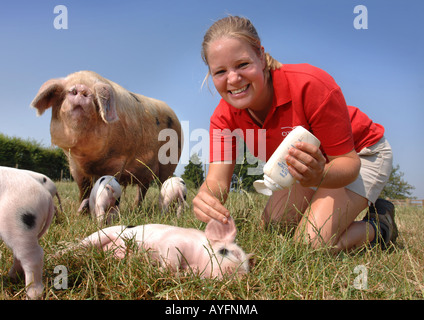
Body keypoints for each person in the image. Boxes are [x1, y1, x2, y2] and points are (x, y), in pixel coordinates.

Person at [192, 16, 398, 252]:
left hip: (361, 154)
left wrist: (319, 177)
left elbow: (348, 164)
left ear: (261, 56)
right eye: (220, 71)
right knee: (274, 226)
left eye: (242, 64)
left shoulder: (310, 84)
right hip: (309, 172)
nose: (233, 79)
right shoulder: (223, 117)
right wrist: (207, 198)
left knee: (311, 245)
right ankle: (326, 214)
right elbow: (217, 180)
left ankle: (380, 227)